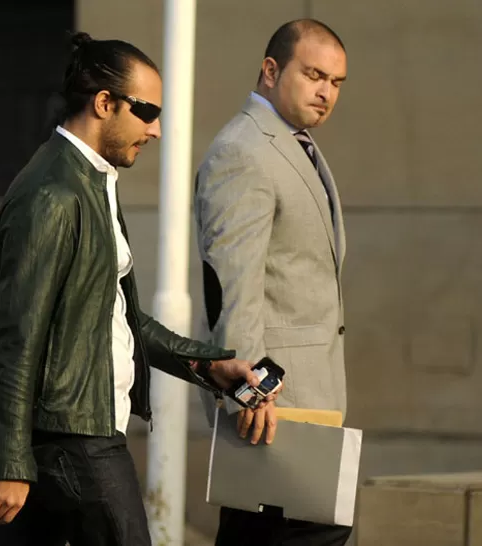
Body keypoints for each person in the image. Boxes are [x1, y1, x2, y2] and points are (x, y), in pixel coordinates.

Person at [0, 32, 272, 546]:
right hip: (77, 440)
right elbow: (15, 338)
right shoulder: (53, 194)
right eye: (147, 111)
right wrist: (9, 459)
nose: (155, 129)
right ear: (103, 103)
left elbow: (116, 316)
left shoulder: (91, 182)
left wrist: (209, 366)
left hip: (76, 434)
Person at [193, 18, 351, 546]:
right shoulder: (244, 150)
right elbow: (231, 285)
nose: (326, 92)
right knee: (308, 534)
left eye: (336, 82)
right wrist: (249, 392)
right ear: (270, 70)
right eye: (314, 75)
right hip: (272, 406)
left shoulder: (294, 144)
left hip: (306, 399)